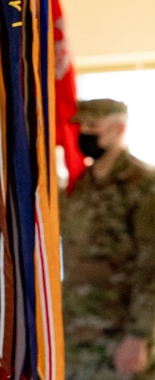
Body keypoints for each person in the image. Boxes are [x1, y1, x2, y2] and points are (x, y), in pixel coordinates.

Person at [61, 98, 155, 379]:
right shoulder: (81, 185)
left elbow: (151, 267)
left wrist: (139, 335)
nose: (85, 134)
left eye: (93, 126)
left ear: (119, 129)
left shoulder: (143, 186)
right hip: (77, 333)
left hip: (121, 336)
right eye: (82, 126)